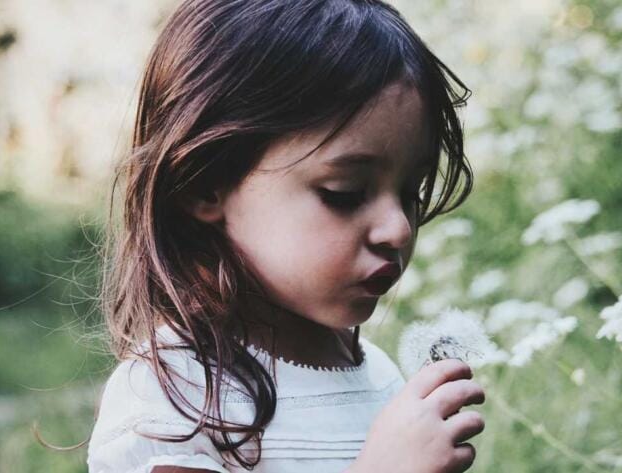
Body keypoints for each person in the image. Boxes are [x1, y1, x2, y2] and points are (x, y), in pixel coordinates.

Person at [86, 0, 485, 471]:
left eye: (411, 192)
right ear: (204, 184)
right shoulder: (175, 396)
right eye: (346, 193)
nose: (398, 228)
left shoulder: (378, 376)